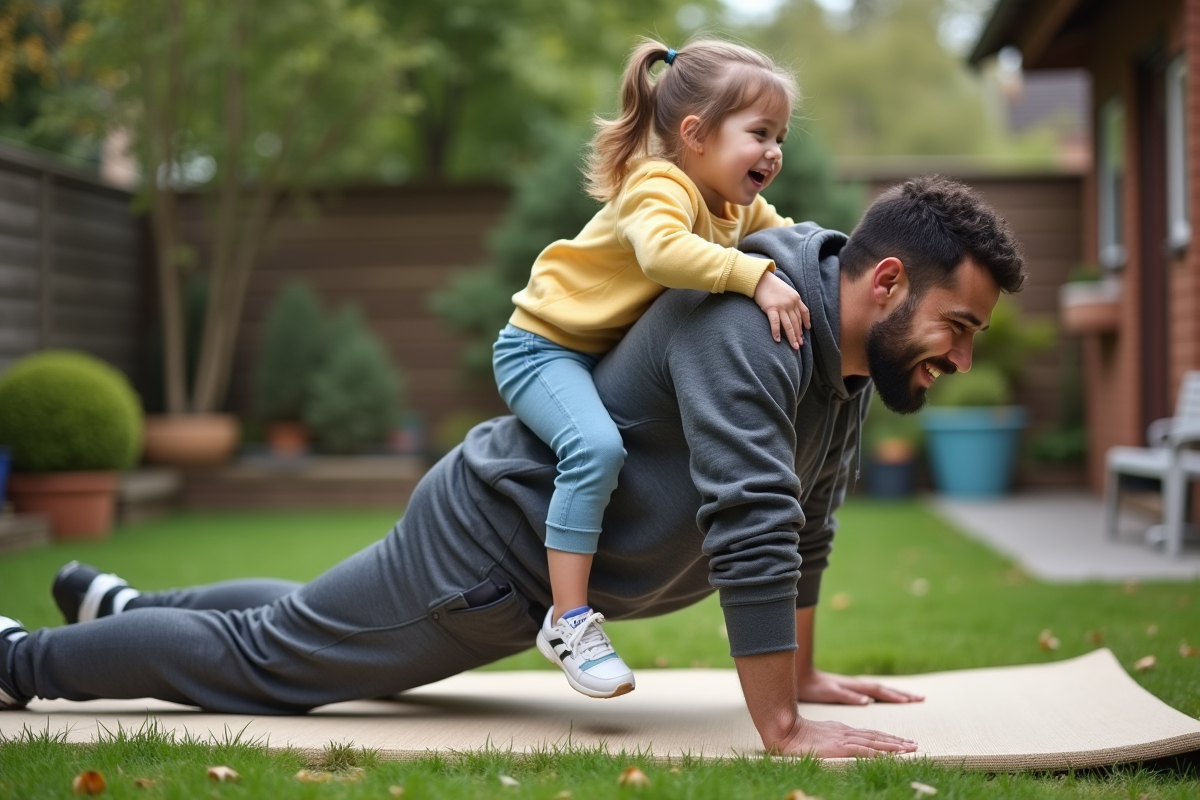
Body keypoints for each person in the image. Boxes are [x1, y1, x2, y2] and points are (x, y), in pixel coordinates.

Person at [0, 175, 1026, 758]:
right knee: (270, 661)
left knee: (298, 622)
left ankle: (121, 603)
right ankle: (20, 661)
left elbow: (806, 527)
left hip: (508, 554)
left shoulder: (834, 357)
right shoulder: (751, 325)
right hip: (490, 552)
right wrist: (782, 723)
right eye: (958, 325)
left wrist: (802, 674)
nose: (963, 355)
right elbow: (752, 516)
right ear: (886, 281)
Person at [494, 37, 809, 699]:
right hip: (542, 348)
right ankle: (568, 622)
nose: (774, 151)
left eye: (780, 136)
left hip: (595, 356)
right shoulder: (656, 183)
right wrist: (753, 276)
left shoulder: (739, 206)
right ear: (694, 134)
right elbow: (666, 256)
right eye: (759, 133)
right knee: (596, 449)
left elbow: (792, 245)